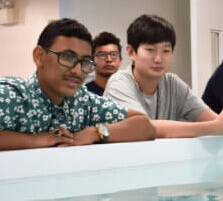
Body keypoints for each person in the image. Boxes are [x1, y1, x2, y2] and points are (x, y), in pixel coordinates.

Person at [0, 18, 155, 151]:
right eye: (67, 57)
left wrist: (96, 133)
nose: (77, 70)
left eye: (85, 62)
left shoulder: (82, 102)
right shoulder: (11, 95)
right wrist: (35, 140)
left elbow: (143, 125)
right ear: (39, 56)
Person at [104, 14, 223, 139]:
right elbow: (145, 127)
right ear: (131, 52)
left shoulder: (173, 83)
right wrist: (214, 127)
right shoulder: (119, 83)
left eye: (166, 50)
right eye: (150, 50)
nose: (159, 59)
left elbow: (213, 119)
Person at [86, 31, 122, 96]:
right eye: (102, 55)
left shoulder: (129, 92)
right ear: (92, 60)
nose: (109, 59)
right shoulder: (84, 94)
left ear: (120, 60)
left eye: (113, 54)